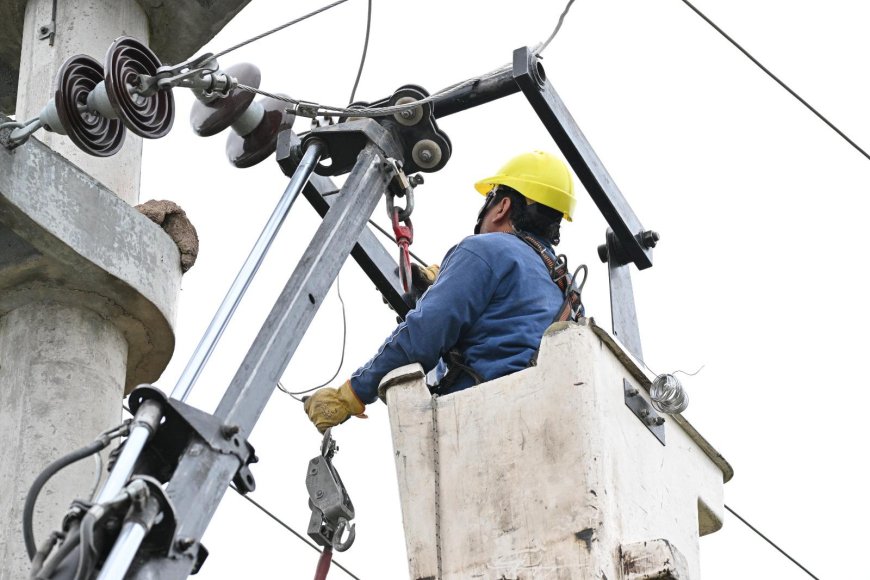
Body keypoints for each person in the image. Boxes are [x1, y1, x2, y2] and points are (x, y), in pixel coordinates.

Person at [304, 150, 577, 433]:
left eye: (491, 198)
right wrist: (437, 289)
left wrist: (352, 394)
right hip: (547, 429)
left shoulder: (485, 249)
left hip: (484, 422)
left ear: (503, 206)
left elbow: (424, 335)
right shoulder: (567, 287)